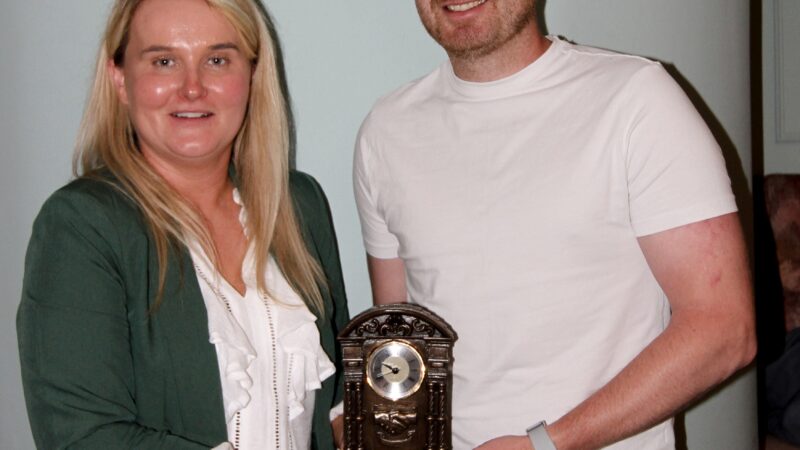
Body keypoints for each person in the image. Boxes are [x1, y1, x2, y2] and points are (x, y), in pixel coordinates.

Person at [353, 1, 755, 449]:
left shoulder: (637, 100)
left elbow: (725, 329)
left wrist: (547, 444)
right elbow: (396, 334)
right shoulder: (385, 131)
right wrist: (367, 424)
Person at [17, 0, 348, 448]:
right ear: (120, 79)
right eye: (164, 61)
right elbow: (81, 436)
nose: (192, 88)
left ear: (251, 75)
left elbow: (339, 397)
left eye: (216, 60)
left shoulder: (298, 205)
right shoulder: (82, 227)